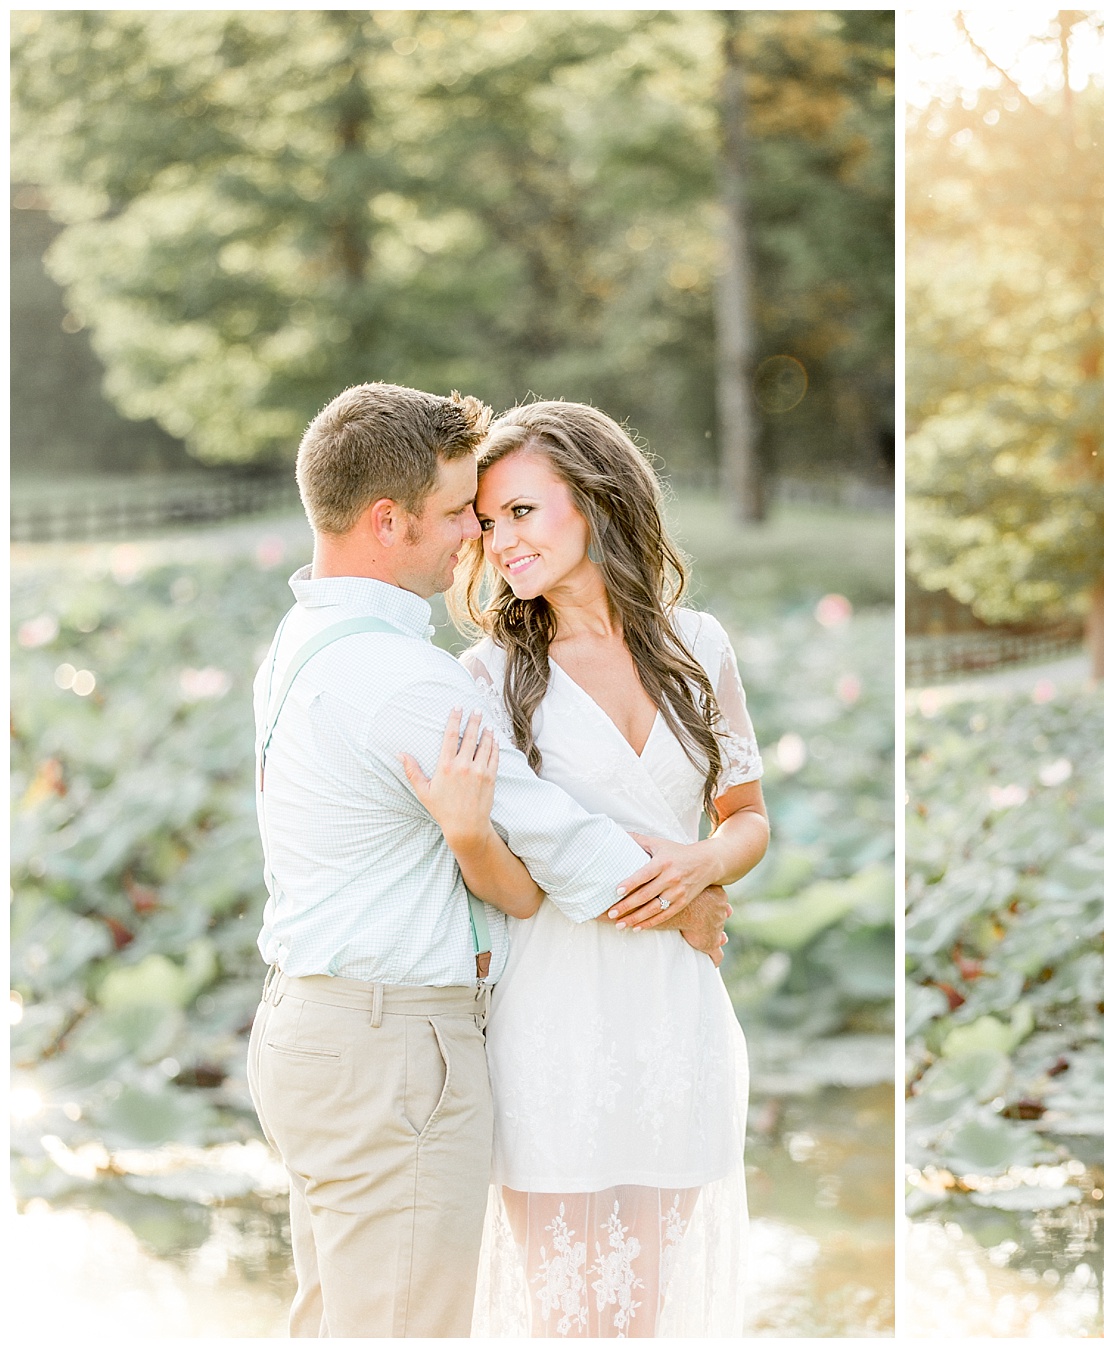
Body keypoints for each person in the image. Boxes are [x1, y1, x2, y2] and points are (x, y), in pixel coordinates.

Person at [246, 382, 728, 1338]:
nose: (475, 534)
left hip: (309, 1027)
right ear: (388, 521)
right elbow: (564, 842)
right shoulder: (411, 680)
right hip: (390, 1044)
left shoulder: (302, 644)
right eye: (459, 511)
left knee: (340, 1321)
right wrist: (690, 901)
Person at [413, 400, 768, 1337]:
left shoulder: (702, 647)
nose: (501, 543)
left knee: (641, 1319)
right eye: (487, 525)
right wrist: (465, 832)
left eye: (522, 512)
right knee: (567, 1317)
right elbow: (514, 890)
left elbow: (748, 819)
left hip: (676, 1018)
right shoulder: (487, 676)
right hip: (552, 1017)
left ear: (597, 499)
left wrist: (700, 866)